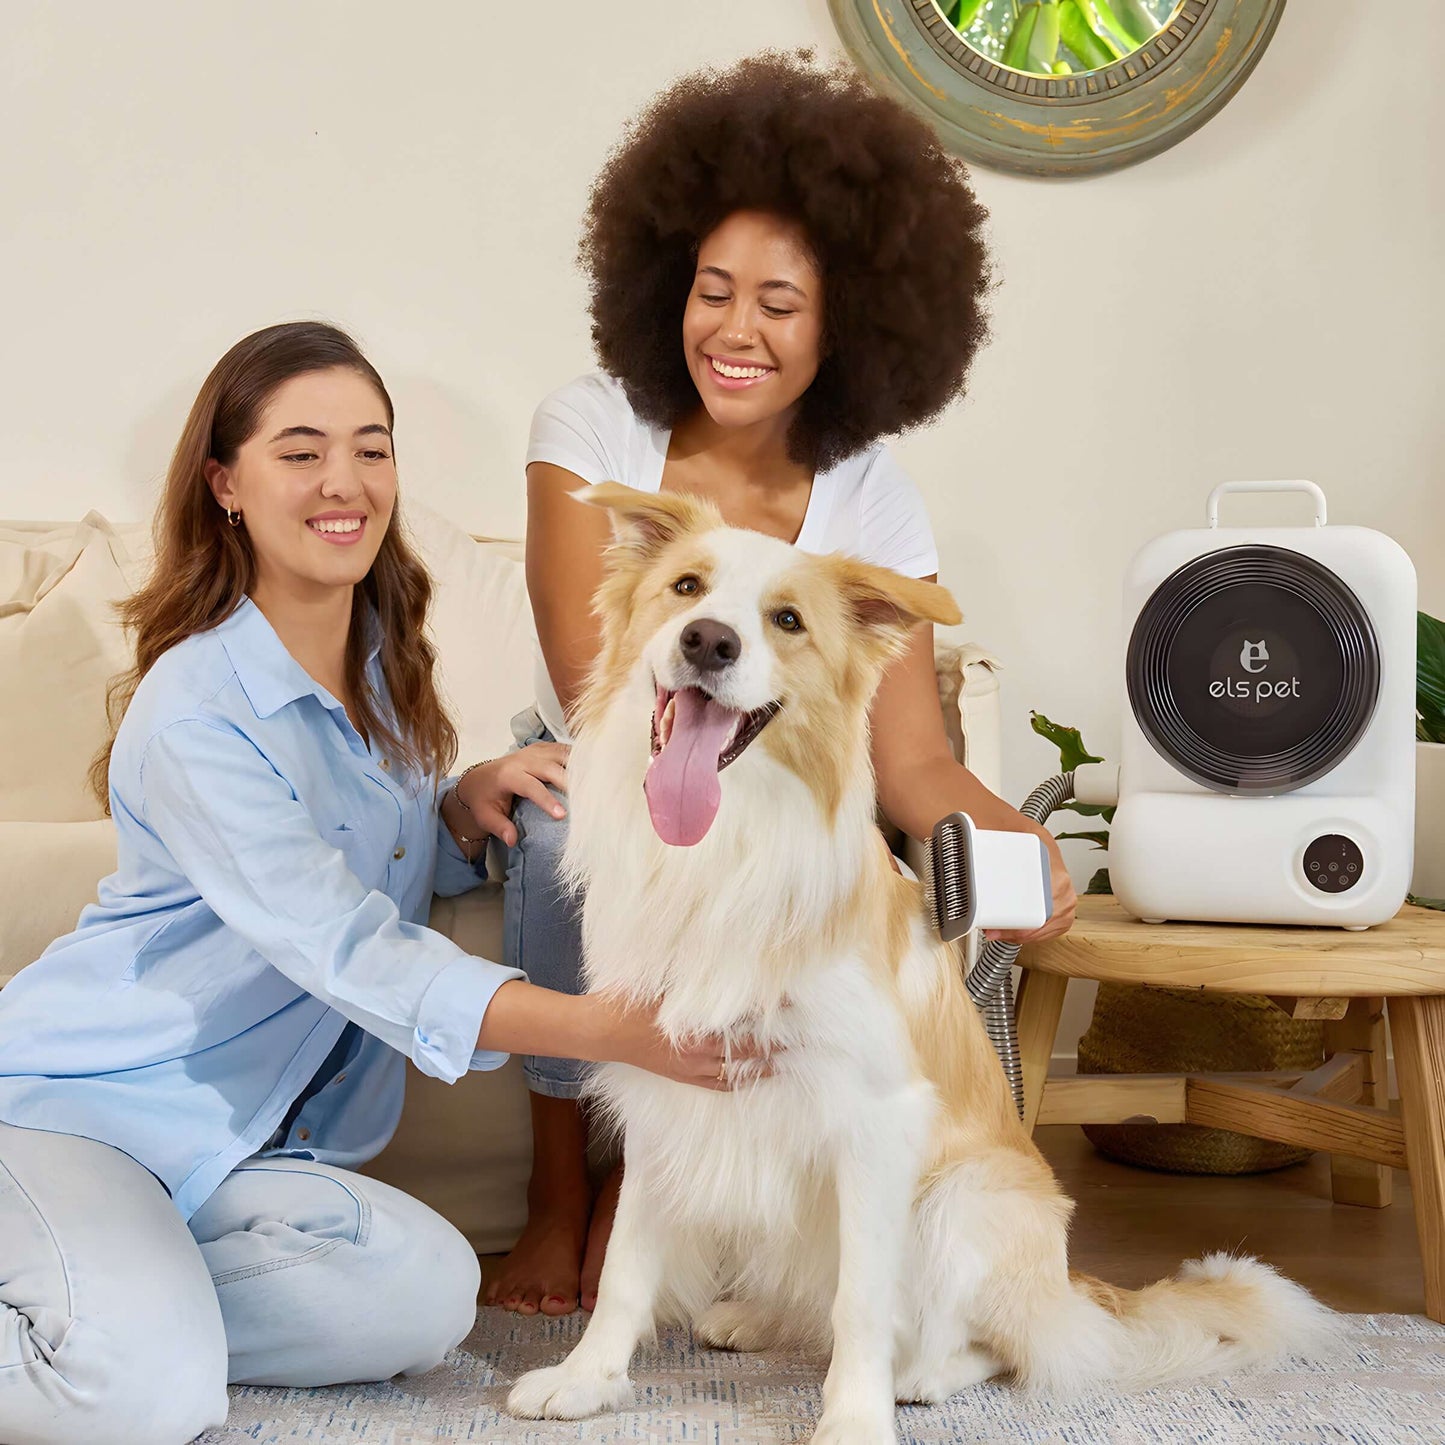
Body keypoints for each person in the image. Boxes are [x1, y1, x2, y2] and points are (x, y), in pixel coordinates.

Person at [0, 322, 757, 1445]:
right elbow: (345, 944)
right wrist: (617, 1028)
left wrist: (458, 805)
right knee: (135, 1396)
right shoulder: (195, 708)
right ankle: (112, 1331)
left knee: (421, 1294)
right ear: (225, 483)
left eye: (372, 447)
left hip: (235, 1163)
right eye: (300, 451)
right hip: (84, 1116)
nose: (344, 482)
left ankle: (111, 1308)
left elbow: (370, 854)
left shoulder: (384, 681)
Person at [488, 52, 1080, 1320]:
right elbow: (597, 682)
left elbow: (908, 760)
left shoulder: (872, 488)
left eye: (779, 303)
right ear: (663, 291)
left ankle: (879, 1236)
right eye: (710, 293)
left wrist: (1014, 842)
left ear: (848, 325)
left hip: (783, 771)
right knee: (553, 849)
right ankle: (566, 1191)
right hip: (612, 748)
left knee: (894, 902)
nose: (735, 330)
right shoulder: (593, 425)